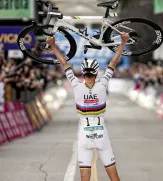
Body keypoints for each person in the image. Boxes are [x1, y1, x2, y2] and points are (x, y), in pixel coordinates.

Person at [46, 32, 130, 181]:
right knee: (114, 176)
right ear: (96, 74)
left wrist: (52, 46)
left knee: (85, 177)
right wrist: (123, 42)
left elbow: (64, 63)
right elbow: (114, 62)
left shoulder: (76, 85)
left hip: (84, 135)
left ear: (83, 74)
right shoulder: (103, 84)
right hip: (101, 135)